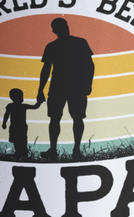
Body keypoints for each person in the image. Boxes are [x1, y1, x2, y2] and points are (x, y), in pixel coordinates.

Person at [36, 17, 95, 160]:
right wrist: (40, 90)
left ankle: (74, 150)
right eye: (60, 27)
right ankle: (56, 150)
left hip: (73, 87)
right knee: (58, 118)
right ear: (55, 31)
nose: (63, 29)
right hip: (62, 87)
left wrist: (88, 84)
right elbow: (46, 70)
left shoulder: (79, 43)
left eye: (64, 26)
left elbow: (90, 65)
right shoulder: (54, 46)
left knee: (74, 118)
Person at [0, 87, 42, 161]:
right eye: (20, 96)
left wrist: (39, 102)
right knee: (17, 140)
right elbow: (6, 115)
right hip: (16, 127)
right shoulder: (12, 106)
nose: (22, 98)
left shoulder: (21, 106)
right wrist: (4, 123)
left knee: (22, 139)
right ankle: (19, 153)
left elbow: (35, 106)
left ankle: (24, 153)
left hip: (21, 127)